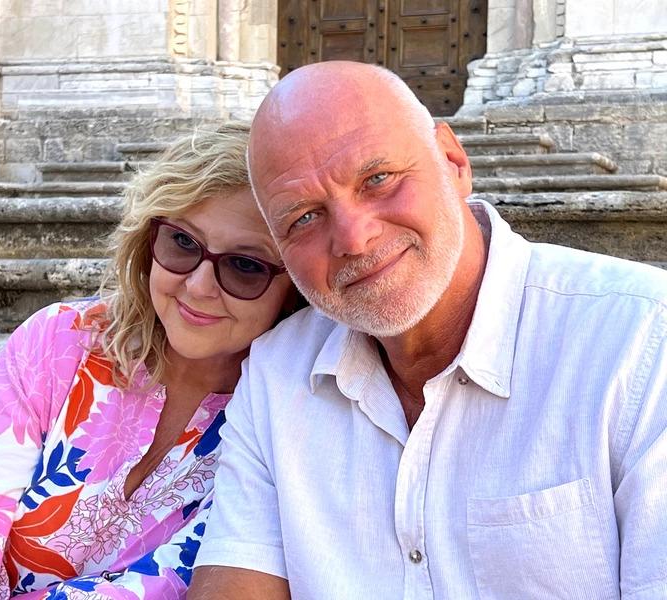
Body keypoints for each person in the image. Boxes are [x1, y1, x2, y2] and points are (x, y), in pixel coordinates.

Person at [188, 62, 667, 599]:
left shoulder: (642, 340)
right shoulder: (278, 373)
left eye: (378, 179)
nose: (354, 239)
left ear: (453, 162)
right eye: (303, 217)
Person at [0, 123, 297, 599]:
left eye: (245, 266)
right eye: (182, 242)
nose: (198, 287)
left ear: (295, 288)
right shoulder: (61, 343)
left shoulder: (282, 423)